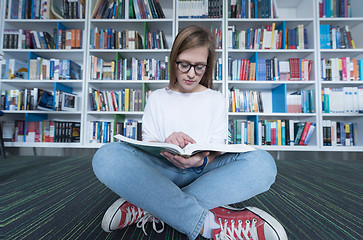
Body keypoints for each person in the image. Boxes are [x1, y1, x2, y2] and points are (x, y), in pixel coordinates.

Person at [92, 25, 288, 240]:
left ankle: (149, 206)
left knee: (263, 164)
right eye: (184, 65)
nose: (191, 74)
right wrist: (165, 143)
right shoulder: (157, 97)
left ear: (208, 66)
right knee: (107, 157)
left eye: (199, 67)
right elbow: (147, 143)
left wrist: (200, 161)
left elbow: (218, 146)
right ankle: (207, 223)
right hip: (162, 171)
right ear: (174, 60)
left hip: (204, 171)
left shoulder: (215, 99)